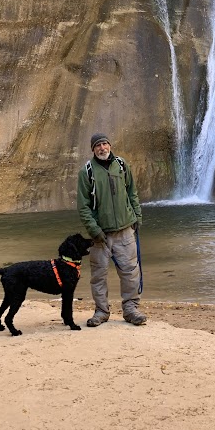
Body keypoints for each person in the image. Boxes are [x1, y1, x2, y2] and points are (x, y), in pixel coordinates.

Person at [77, 132, 147, 327]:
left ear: (110, 145)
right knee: (98, 274)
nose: (102, 148)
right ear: (93, 149)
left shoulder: (122, 165)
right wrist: (94, 230)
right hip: (100, 234)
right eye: (98, 145)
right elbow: (83, 207)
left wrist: (137, 216)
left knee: (131, 271)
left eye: (105, 144)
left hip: (125, 230)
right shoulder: (87, 172)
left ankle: (131, 309)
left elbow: (132, 192)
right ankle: (101, 311)